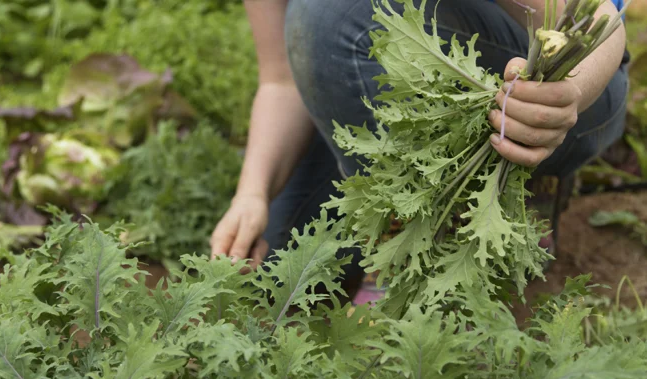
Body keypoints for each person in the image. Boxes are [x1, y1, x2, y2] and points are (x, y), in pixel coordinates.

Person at [210, 0, 629, 290]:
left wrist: (568, 96)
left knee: (330, 15)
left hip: (572, 84)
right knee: (280, 260)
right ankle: (410, 221)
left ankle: (431, 237)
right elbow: (280, 80)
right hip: (393, 73)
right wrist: (251, 194)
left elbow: (595, 18)